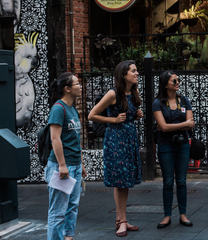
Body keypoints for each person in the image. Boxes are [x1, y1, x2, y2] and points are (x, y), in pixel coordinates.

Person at [88, 60, 143, 237]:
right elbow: (92, 115)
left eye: (136, 71)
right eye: (133, 71)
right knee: (119, 180)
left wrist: (136, 115)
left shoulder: (133, 92)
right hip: (116, 139)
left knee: (125, 180)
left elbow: (127, 115)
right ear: (123, 75)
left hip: (129, 137)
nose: (137, 74)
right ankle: (121, 220)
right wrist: (113, 120)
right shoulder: (113, 94)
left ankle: (122, 219)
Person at [45, 72, 86, 240]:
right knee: (58, 211)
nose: (80, 86)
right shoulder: (58, 108)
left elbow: (75, 139)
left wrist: (81, 163)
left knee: (72, 207)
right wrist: (62, 165)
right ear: (67, 89)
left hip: (74, 165)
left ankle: (68, 237)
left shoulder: (72, 108)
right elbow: (55, 139)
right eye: (77, 84)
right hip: (61, 167)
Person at [152, 71, 195, 229]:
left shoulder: (183, 100)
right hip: (165, 145)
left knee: (182, 181)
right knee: (168, 181)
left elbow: (191, 122)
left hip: (182, 144)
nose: (177, 82)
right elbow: (162, 127)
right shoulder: (158, 103)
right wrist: (183, 125)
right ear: (165, 84)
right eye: (174, 80)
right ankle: (167, 215)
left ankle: (183, 214)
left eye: (178, 80)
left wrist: (171, 127)